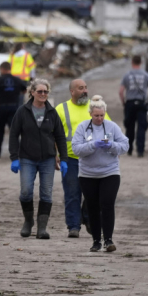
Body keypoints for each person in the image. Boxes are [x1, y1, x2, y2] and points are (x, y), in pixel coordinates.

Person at [9, 78, 67, 239]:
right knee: (26, 191)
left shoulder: (52, 113)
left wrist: (63, 159)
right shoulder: (22, 111)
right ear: (32, 92)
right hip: (27, 157)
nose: (43, 94)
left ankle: (42, 228)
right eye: (40, 91)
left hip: (47, 159)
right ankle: (28, 222)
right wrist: (14, 157)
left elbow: (60, 136)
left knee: (46, 193)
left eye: (45, 92)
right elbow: (14, 135)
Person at [71, 97, 129, 252]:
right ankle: (96, 240)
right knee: (93, 207)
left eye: (102, 115)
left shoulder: (112, 127)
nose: (99, 118)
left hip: (110, 172)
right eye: (96, 115)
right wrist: (92, 145)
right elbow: (76, 149)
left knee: (107, 204)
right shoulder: (83, 127)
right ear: (91, 114)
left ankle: (108, 240)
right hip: (88, 174)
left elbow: (125, 145)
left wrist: (111, 146)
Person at [58, 78, 93, 238]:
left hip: (92, 159)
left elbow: (109, 129)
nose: (85, 90)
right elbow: (53, 134)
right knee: (72, 193)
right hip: (70, 159)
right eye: (81, 88)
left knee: (93, 193)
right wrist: (55, 154)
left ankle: (88, 218)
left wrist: (109, 148)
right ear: (72, 91)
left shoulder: (95, 106)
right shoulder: (61, 109)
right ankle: (73, 226)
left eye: (85, 87)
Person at [118, 55, 148, 157]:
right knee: (141, 127)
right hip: (142, 104)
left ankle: (129, 149)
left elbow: (121, 91)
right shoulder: (146, 75)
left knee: (129, 127)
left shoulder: (127, 75)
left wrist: (123, 102)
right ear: (141, 62)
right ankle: (140, 150)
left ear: (132, 62)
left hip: (130, 104)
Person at [0, 61, 27, 158]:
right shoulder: (17, 80)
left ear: (2, 69)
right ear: (10, 69)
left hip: (0, 108)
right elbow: (24, 90)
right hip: (14, 107)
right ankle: (16, 152)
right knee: (14, 131)